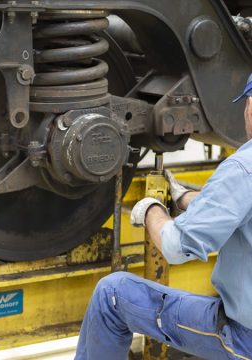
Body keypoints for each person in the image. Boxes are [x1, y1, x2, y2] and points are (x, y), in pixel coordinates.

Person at [75, 75, 252, 360]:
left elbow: (176, 247)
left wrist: (150, 210)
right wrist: (186, 199)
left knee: (112, 294)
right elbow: (237, 213)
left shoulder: (244, 168)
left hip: (244, 340)